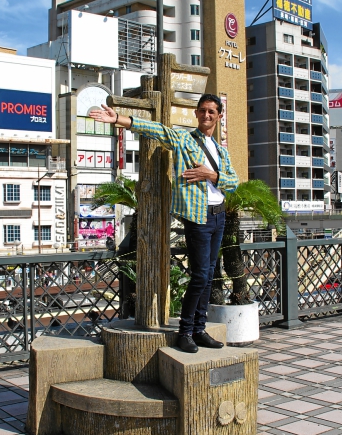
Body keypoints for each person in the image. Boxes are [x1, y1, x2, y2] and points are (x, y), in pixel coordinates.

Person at [90, 94, 239, 353]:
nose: (206, 115)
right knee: (200, 275)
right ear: (196, 113)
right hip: (198, 217)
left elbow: (234, 183)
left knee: (210, 273)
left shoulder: (221, 150)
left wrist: (210, 174)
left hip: (219, 216)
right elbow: (156, 129)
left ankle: (199, 329)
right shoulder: (184, 139)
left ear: (219, 115)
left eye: (211, 112)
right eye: (202, 110)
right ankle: (185, 332)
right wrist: (120, 120)